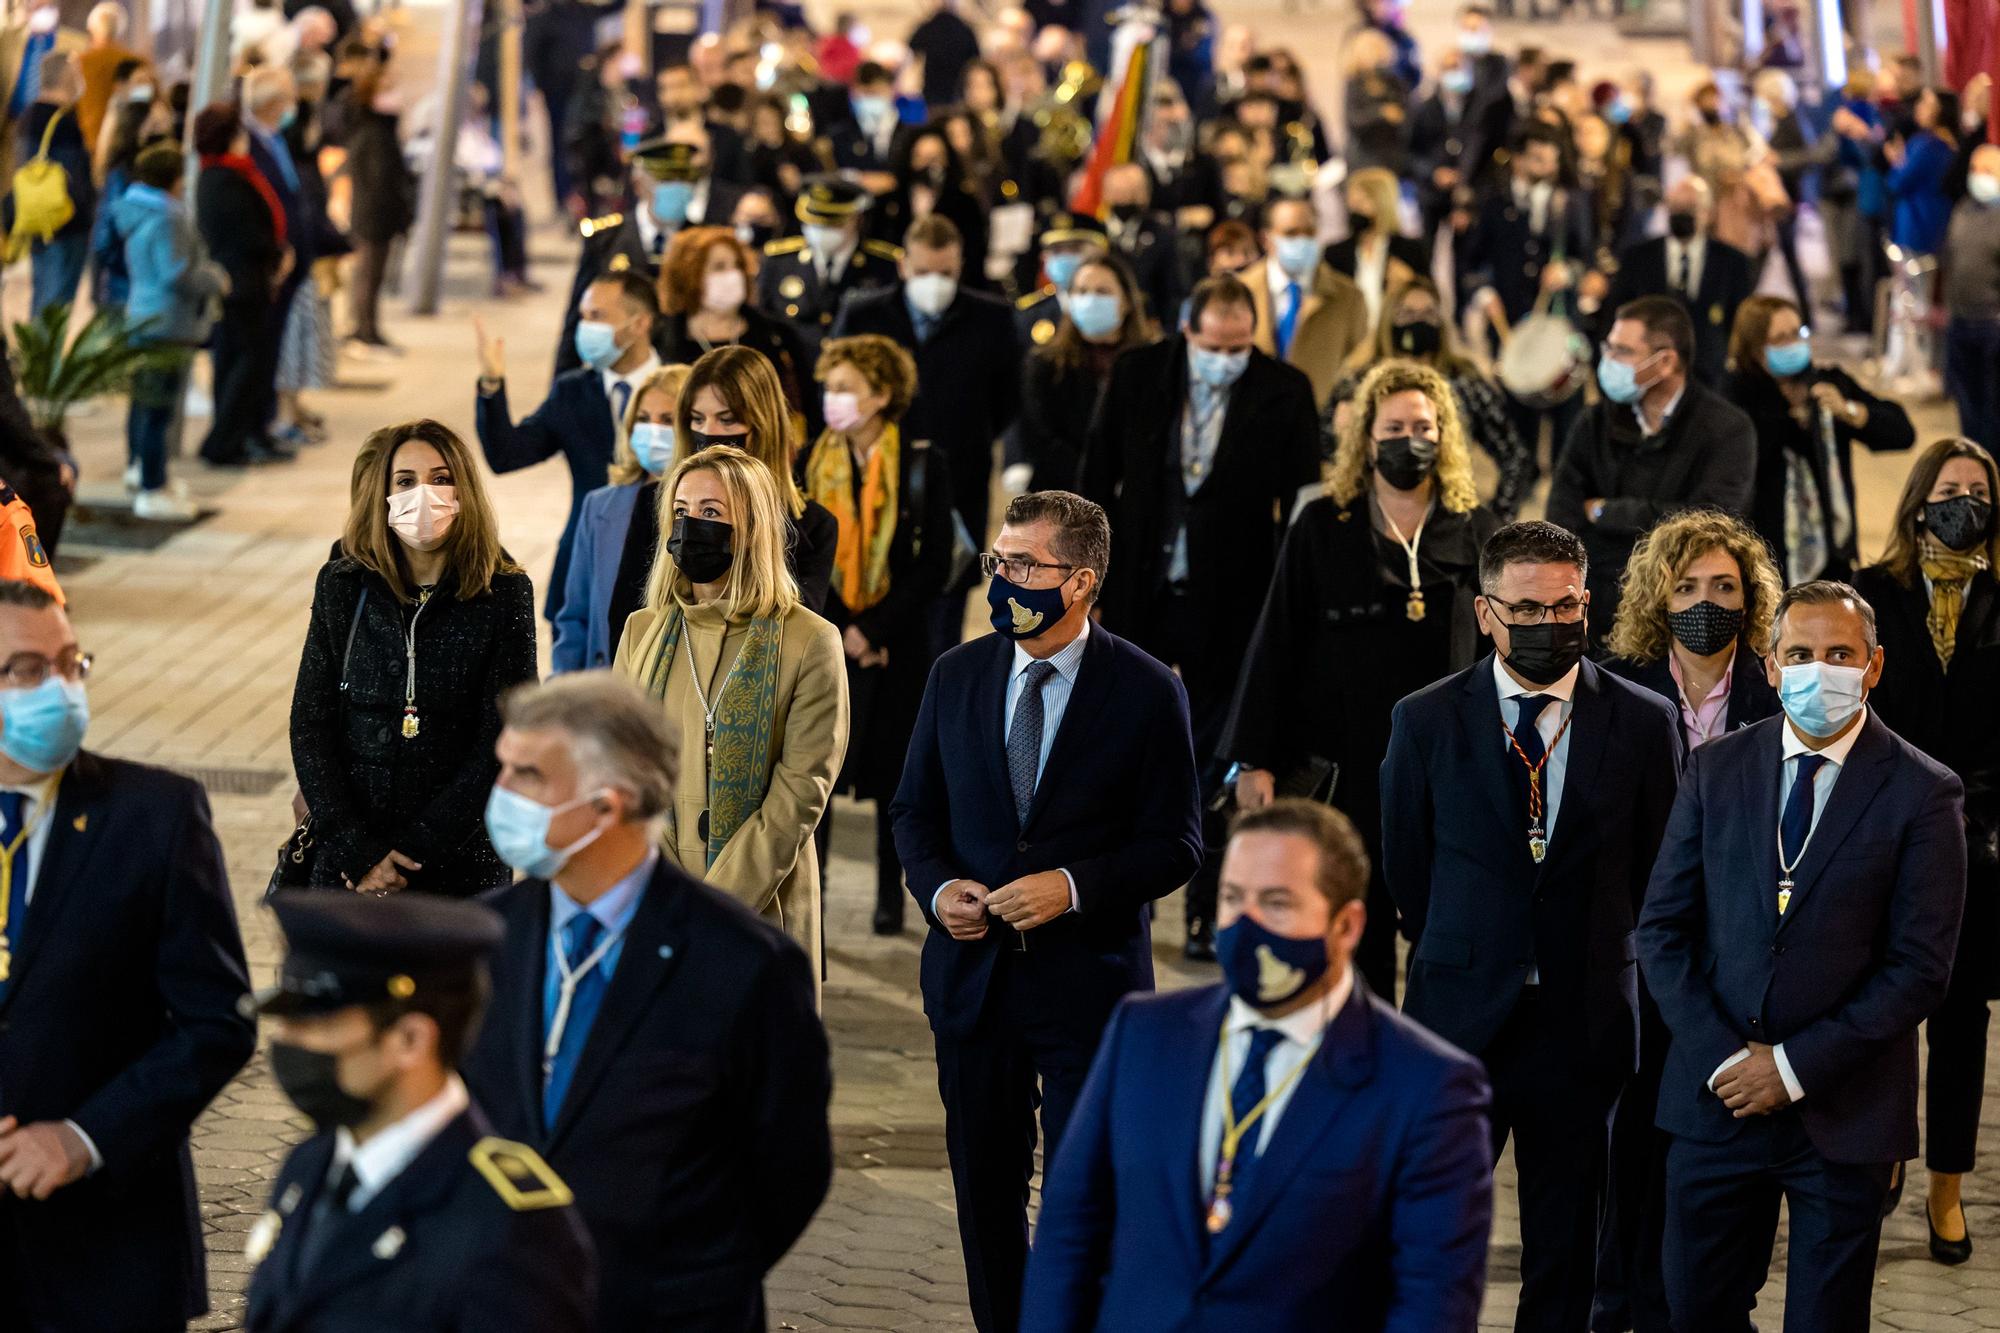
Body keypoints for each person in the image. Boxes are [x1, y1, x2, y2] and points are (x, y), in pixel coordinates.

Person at [891, 489, 1203, 1333]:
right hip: (973, 983)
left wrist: (1072, 885)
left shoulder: (1144, 690)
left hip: (1087, 990)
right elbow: (914, 813)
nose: (1003, 578)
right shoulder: (957, 674)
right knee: (985, 1194)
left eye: (1024, 565)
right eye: (999, 560)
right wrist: (937, 887)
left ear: (1081, 581)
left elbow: (1176, 844)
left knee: (1079, 1198)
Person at [1019, 800, 1494, 1332]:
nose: (1248, 924)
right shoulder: (1146, 1034)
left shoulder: (1428, 1087)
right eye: (1232, 899)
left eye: (1277, 903)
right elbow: (1070, 1230)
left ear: (1346, 926)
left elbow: (1431, 1304)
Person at [1638, 580, 1966, 1333]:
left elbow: (1919, 968)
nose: (1822, 670)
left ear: (1874, 665)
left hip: (1844, 1108)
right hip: (1716, 1103)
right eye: (1802, 654)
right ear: (1772, 665)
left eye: (1841, 654)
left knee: (1825, 1318)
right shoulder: (1716, 769)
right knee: (1695, 1309)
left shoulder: (1924, 791)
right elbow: (1661, 930)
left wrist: (1787, 1068)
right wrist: (1728, 1060)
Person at [1379, 519, 1680, 1333]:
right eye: (1527, 610)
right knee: (1435, 1236)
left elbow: (1659, 873)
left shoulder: (1645, 722)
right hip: (1458, 1019)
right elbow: (1405, 868)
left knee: (1567, 1246)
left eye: (1565, 607)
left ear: (1586, 601)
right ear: (1485, 613)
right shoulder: (1426, 719)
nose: (1549, 626)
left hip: (1583, 1022)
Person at [461, 672, 832, 1333]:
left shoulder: (746, 966)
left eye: (528, 776)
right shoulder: (481, 939)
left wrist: (691, 1283)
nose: (501, 795)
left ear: (610, 804)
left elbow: (789, 1170)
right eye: (502, 769)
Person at [0, 576, 255, 1331]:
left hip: (107, 1259)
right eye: (27, 669)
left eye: (72, 663)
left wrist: (84, 1137)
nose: (60, 689)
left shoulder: (156, 816)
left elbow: (219, 1021)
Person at [1224, 359, 1498, 1003]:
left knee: (1443, 926)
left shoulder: (1477, 526)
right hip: (1347, 763)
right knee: (1355, 924)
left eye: (1424, 426)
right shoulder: (1322, 525)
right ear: (1367, 438)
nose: (1410, 439)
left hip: (1446, 763)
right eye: (1395, 426)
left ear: (1444, 436)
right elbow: (1276, 644)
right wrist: (1254, 760)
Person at [1082, 273, 1318, 958]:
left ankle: (1205, 904)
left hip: (1235, 600)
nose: (1228, 357)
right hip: (1139, 589)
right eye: (1216, 345)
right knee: (1126, 745)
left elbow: (1300, 505)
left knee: (1220, 757)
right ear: (1188, 332)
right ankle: (1120, 893)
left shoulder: (1285, 389)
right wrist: (1087, 579)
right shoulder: (1139, 373)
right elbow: (1097, 476)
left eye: (1241, 346)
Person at [243, 892, 596, 1332]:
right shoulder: (312, 1163)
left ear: (411, 1040)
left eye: (318, 1025)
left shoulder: (510, 1230)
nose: (290, 1044)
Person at [614, 446, 846, 982]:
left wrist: (715, 906)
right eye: (681, 511)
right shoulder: (642, 632)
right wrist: (667, 893)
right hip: (657, 903)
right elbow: (624, 772)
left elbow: (801, 789)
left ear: (753, 527)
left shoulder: (810, 640)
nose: (692, 525)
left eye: (713, 513)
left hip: (762, 900)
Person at [1852, 438, 2000, 1266]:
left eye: (1979, 491)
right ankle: (1880, 1161)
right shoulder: (1873, 595)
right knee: (1877, 1013)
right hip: (1882, 829)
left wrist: (1980, 813)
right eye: (1950, 489)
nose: (1964, 503)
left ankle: (1946, 1186)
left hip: (1978, 843)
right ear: (1918, 502)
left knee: (1960, 1017)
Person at [290, 419, 537, 897]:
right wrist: (356, 850)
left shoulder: (503, 592)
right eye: (405, 481)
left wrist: (414, 852)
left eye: (441, 479)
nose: (424, 494)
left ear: (464, 491)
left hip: (458, 861)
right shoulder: (344, 585)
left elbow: (503, 735)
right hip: (349, 862)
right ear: (382, 495)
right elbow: (310, 724)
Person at [804, 334, 954, 935]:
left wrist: (874, 628)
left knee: (897, 777)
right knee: (819, 768)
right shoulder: (809, 462)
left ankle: (891, 893)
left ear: (882, 395)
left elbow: (936, 561)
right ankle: (811, 889)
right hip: (829, 639)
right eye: (829, 387)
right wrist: (842, 627)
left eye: (845, 388)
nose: (832, 399)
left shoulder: (922, 462)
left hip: (898, 645)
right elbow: (802, 552)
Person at [832, 213, 1020, 608]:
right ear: (902, 264)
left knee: (945, 604)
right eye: (922, 271)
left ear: (961, 266)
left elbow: (1007, 400)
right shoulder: (863, 314)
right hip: (875, 476)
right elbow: (835, 384)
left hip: (958, 481)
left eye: (946, 272)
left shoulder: (993, 318)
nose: (934, 282)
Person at [1547, 295, 1757, 638]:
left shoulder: (1727, 429)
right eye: (1609, 348)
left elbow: (1708, 524)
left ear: (1666, 363)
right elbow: (1562, 513)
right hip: (1597, 607)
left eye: (1623, 352)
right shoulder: (1595, 421)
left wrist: (1605, 513)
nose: (1608, 361)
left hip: (1681, 614)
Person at [475, 271, 660, 624]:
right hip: (585, 567)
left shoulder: (681, 385)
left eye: (597, 317)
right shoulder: (572, 391)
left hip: (662, 567)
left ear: (639, 324)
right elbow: (506, 454)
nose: (584, 327)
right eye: (583, 316)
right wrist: (491, 384)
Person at [1722, 294, 1914, 583]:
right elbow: (1743, 462)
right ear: (1755, 349)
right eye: (1780, 338)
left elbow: (1902, 433)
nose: (1793, 344)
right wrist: (1790, 419)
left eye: (1797, 333)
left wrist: (1850, 412)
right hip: (1764, 562)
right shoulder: (1735, 399)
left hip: (1834, 560)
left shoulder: (1827, 384)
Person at [1341, 276, 1535, 519]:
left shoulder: (1464, 381)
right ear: (1390, 320)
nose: (1419, 322)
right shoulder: (1359, 384)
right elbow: (1328, 448)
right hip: (1372, 519)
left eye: (1429, 313)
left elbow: (1515, 455)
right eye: (1408, 313)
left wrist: (1494, 523)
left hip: (1448, 520)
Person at [673, 345, 838, 614]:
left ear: (763, 425)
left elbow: (801, 627)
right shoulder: (658, 505)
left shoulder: (813, 526)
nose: (709, 432)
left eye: (727, 420)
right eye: (697, 419)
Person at [553, 363, 687, 674]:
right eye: (643, 419)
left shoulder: (708, 508)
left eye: (667, 420)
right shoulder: (600, 505)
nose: (652, 429)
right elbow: (575, 616)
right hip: (608, 684)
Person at [116, 141, 225, 523]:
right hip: (168, 321)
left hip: (143, 315)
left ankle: (139, 470)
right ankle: (153, 486)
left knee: (142, 404)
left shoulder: (134, 209)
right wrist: (215, 277)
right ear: (175, 179)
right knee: (157, 409)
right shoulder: (168, 217)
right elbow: (176, 271)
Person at [193, 101, 293, 468]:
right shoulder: (221, 178)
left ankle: (246, 434)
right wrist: (275, 252)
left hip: (252, 280)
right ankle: (224, 441)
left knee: (248, 361)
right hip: (241, 284)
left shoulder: (232, 173)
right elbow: (243, 234)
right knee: (242, 363)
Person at [1009, 251, 1149, 495]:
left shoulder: (1151, 363)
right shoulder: (1045, 364)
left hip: (1134, 497)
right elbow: (1040, 438)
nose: (1090, 300)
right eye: (1082, 291)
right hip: (1061, 497)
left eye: (1102, 292)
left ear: (1127, 301)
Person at [1596, 175, 1756, 386]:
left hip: (1711, 380)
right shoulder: (1637, 257)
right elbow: (1616, 314)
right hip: (1649, 376)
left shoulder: (1733, 262)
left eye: (1690, 207)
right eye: (1676, 206)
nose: (1682, 214)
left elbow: (1741, 324)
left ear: (1708, 213)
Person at [654, 225, 806, 418]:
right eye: (719, 267)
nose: (733, 275)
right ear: (688, 274)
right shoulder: (662, 339)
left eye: (738, 266)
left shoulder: (778, 335)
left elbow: (805, 405)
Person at [755, 175, 905, 365]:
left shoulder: (885, 265)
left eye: (833, 223)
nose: (821, 230)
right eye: (814, 223)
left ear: (857, 218)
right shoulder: (778, 262)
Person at [1242, 195, 1368, 411]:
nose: (1302, 241)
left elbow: (1359, 359)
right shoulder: (1241, 291)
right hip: (1253, 416)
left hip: (1320, 420)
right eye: (1290, 233)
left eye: (1309, 232)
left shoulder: (1348, 296)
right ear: (1266, 239)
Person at [331, 34, 414, 355]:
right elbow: (377, 179)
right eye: (388, 89)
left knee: (373, 273)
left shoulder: (380, 128)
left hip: (380, 210)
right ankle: (364, 329)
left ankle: (369, 327)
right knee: (368, 272)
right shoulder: (372, 131)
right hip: (373, 211)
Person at [17, 52, 94, 315]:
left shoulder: (28, 116)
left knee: (42, 296)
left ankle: (36, 355)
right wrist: (87, 214)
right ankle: (45, 357)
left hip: (37, 219)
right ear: (66, 76)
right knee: (55, 308)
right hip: (65, 224)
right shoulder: (63, 122)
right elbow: (75, 178)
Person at [1942, 143, 2000, 450]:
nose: (1979, 177)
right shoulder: (1963, 209)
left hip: (1992, 325)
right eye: (1974, 170)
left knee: (1993, 410)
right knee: (1968, 408)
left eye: (1987, 171)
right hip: (1961, 322)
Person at [1324, 166, 1427, 332]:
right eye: (1352, 203)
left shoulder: (1409, 251)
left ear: (1381, 201)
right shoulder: (1335, 253)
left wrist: (1409, 283)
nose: (1354, 210)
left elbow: (1428, 298)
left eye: (1361, 201)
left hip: (1392, 337)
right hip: (1350, 340)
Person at [1886, 87, 1958, 257]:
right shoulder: (1950, 143)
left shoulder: (1925, 144)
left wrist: (1896, 161)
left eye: (1925, 104)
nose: (1918, 107)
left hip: (1918, 225)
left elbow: (1897, 182)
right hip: (1938, 221)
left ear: (1940, 111)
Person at [73, 2, 135, 152]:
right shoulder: (135, 62)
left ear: (92, 29)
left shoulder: (79, 63)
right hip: (124, 144)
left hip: (85, 142)